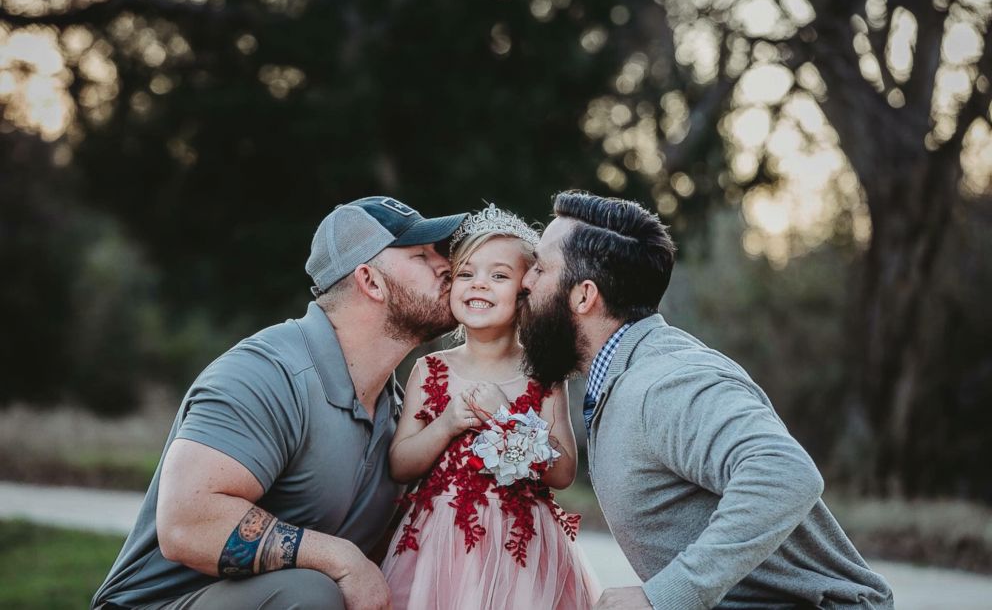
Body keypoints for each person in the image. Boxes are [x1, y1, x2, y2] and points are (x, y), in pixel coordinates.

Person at [517, 191, 895, 610]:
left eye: (539, 267)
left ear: (584, 296)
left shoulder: (667, 380)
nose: (524, 281)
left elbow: (785, 472)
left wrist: (664, 597)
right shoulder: (625, 377)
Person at [91, 196, 467, 610]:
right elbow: (187, 523)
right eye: (420, 255)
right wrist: (339, 558)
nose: (445, 265)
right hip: (156, 603)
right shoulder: (264, 373)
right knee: (310, 594)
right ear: (370, 281)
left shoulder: (403, 411)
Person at [380, 203, 601, 610]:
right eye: (466, 273)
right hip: (439, 545)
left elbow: (565, 471)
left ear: (525, 291)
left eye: (498, 275)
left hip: (521, 546)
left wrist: (508, 421)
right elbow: (400, 464)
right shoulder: (431, 369)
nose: (478, 285)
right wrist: (445, 425)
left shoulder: (543, 372)